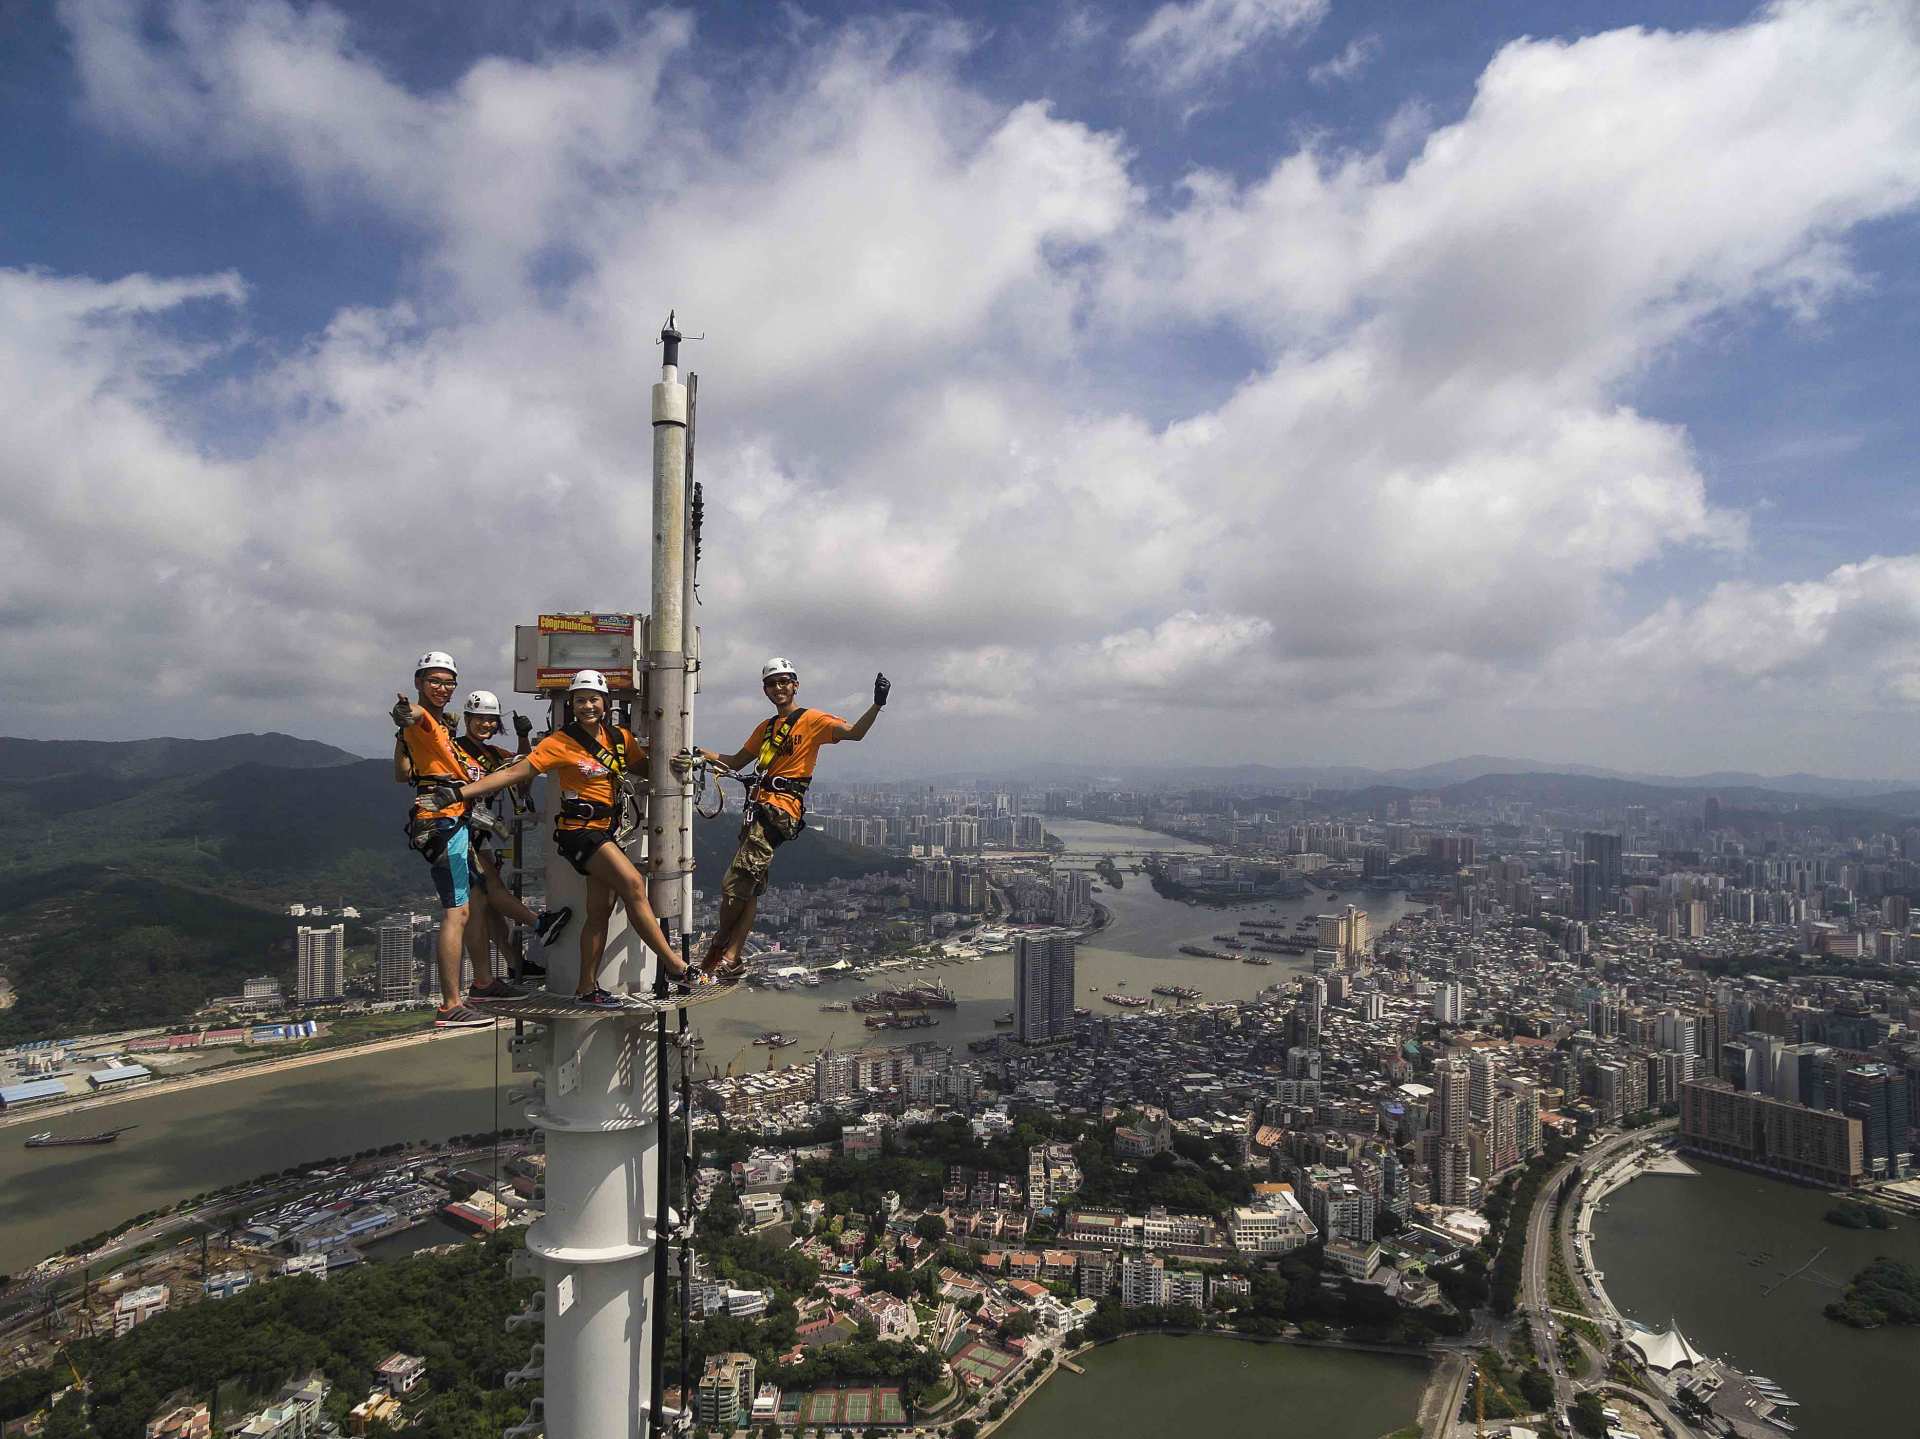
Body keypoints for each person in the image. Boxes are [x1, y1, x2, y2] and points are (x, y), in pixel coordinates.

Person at [434, 669, 696, 1006]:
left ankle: (586, 988)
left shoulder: (620, 739)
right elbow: (517, 772)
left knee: (599, 910)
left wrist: (678, 763)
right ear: (572, 704)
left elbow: (646, 768)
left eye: (593, 699)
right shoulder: (560, 742)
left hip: (607, 831)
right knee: (632, 885)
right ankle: (675, 965)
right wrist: (461, 792)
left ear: (606, 703)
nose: (588, 705)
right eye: (581, 700)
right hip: (579, 833)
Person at [689, 658, 888, 978]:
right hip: (758, 807)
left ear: (795, 685)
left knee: (736, 883)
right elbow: (736, 762)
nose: (779, 687)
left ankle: (720, 947)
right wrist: (700, 753)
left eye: (785, 681)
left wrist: (876, 705)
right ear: (765, 689)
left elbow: (854, 733)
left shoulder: (812, 720)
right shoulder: (766, 729)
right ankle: (733, 957)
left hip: (780, 810)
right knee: (750, 886)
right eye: (772, 683)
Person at [389, 651, 519, 1028]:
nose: (442, 688)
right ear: (419, 682)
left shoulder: (439, 727)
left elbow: (402, 774)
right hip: (443, 821)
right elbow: (411, 713)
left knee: (470, 906)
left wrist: (403, 734)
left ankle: (481, 982)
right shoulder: (424, 716)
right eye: (434, 680)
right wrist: (403, 717)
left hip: (452, 822)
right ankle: (450, 1004)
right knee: (456, 913)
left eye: (448, 682)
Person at [455, 689, 572, 977]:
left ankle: (515, 964)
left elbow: (522, 776)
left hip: (478, 833)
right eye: (479, 719)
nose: (485, 725)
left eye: (491, 720)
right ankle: (538, 924)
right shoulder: (453, 749)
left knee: (487, 903)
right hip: (459, 830)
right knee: (491, 890)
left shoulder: (495, 755)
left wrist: (523, 738)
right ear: (467, 719)